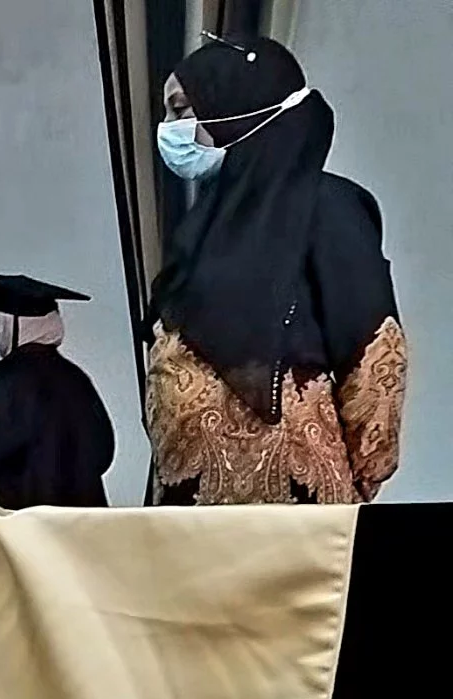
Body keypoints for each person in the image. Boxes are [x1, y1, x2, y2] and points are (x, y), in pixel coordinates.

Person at [147, 34, 407, 505]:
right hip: (189, 506)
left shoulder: (327, 207)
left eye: (181, 110)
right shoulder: (203, 221)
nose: (168, 128)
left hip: (293, 504)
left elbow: (374, 351)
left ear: (238, 108)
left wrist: (368, 467)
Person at [0, 275, 115, 510]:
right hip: (80, 525)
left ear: (13, 324)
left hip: (23, 525)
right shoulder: (76, 378)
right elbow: (103, 454)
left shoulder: (4, 379)